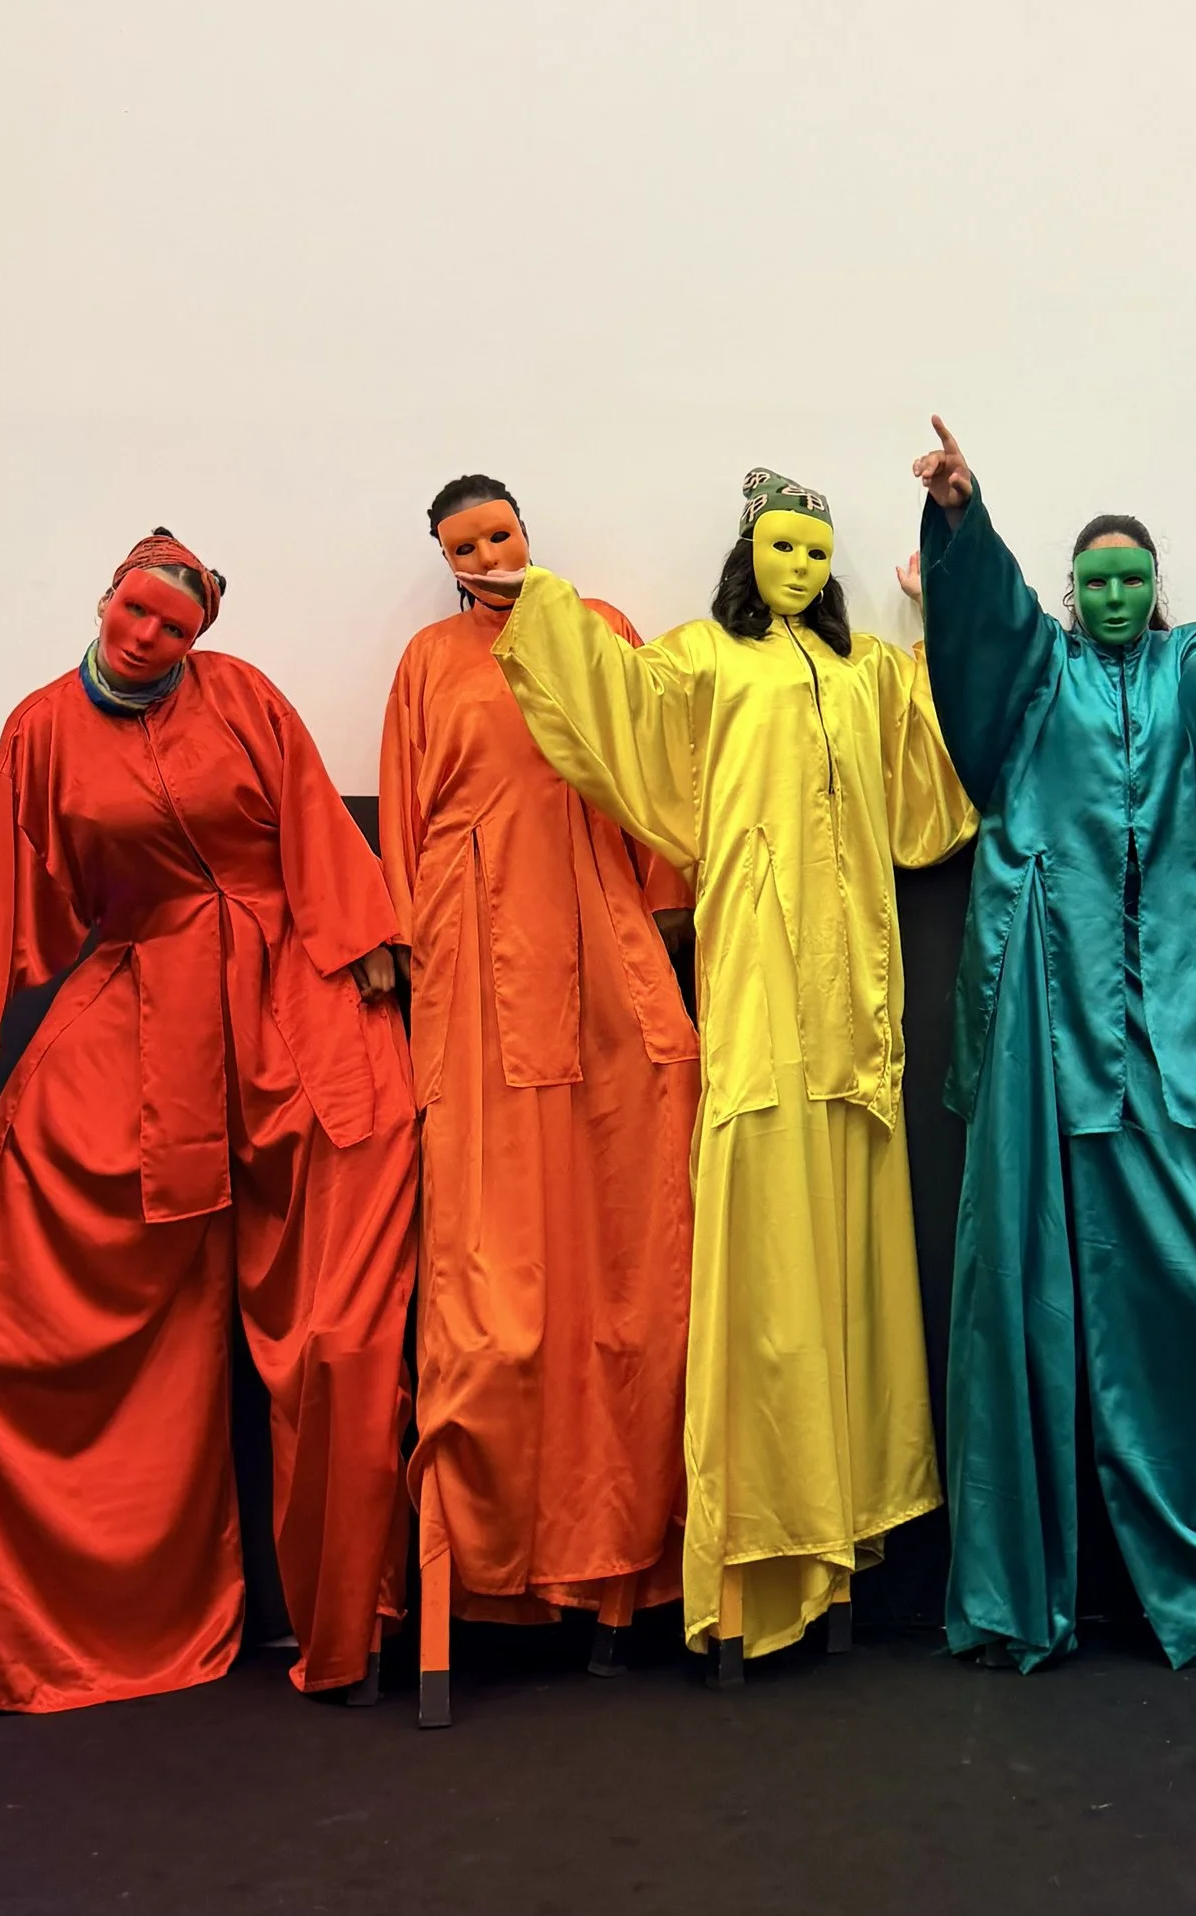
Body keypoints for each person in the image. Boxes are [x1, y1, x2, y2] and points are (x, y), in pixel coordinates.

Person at [0, 529, 416, 1712]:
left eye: (175, 627)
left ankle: (350, 1624)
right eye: (136, 610)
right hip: (150, 995)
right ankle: (71, 1624)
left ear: (198, 638)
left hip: (290, 995)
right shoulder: (40, 726)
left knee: (340, 1322)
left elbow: (309, 817)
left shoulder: (242, 697)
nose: (148, 636)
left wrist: (362, 937)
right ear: (105, 598)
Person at [473, 470, 975, 1674]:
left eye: (816, 551)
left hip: (856, 994)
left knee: (848, 1239)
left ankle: (844, 1513)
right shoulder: (700, 659)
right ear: (747, 554)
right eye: (780, 547)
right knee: (758, 1234)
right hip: (756, 972)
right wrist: (540, 601)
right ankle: (755, 1537)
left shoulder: (866, 671)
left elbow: (925, 800)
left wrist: (936, 617)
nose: (799, 567)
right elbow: (619, 711)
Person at [903, 417, 1196, 1670]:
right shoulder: (1043, 671)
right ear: (1073, 591)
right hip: (1045, 992)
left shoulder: (1186, 655)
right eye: (1097, 581)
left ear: (1155, 584)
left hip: (1168, 1013)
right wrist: (962, 518)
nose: (1118, 596)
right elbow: (985, 629)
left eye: (1134, 577)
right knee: (1023, 1275)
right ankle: (1018, 1587)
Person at [380, 476, 702, 1723]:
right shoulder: (426, 661)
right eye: (464, 544)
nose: (487, 554)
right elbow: (406, 808)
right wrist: (406, 941)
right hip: (472, 943)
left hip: (599, 930)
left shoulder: (597, 625)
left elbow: (648, 766)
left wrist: (664, 902)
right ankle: (482, 1567)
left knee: (631, 1244)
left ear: (528, 533)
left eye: (501, 533)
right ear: (445, 557)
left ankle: (626, 1559)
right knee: (486, 1276)